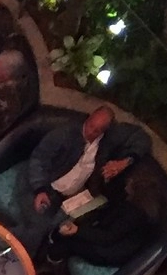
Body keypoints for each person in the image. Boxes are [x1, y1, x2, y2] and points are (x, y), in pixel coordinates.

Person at [20, 105, 151, 254]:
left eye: (97, 130)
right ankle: (13, 252)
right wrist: (40, 188)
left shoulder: (110, 137)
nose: (90, 132)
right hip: (42, 185)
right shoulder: (64, 134)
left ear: (105, 130)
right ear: (88, 119)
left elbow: (142, 137)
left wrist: (125, 162)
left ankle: (45, 254)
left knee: (61, 225)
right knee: (37, 226)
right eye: (90, 125)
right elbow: (39, 159)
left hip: (73, 194)